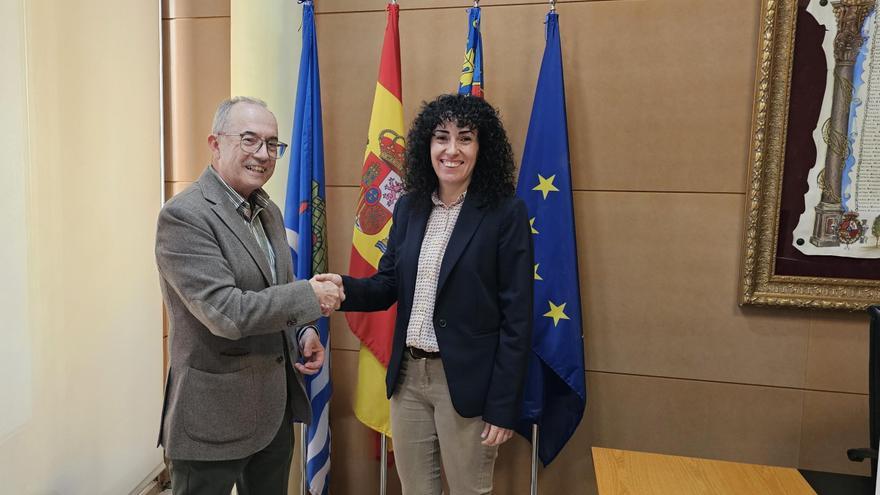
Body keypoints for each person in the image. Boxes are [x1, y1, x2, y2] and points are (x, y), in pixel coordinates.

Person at [319, 94, 533, 494]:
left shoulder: (505, 214)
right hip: (407, 379)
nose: (452, 150)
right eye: (441, 137)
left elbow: (517, 318)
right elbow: (388, 284)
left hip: (466, 383)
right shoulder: (409, 208)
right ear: (427, 145)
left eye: (465, 138)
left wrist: (503, 406)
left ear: (482, 148)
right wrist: (342, 289)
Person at [155, 96, 343, 495]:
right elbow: (227, 313)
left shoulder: (268, 210)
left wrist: (304, 332)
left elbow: (277, 290)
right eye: (250, 140)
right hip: (212, 419)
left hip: (273, 413)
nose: (263, 154)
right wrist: (310, 296)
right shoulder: (185, 216)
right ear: (215, 143)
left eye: (272, 144)